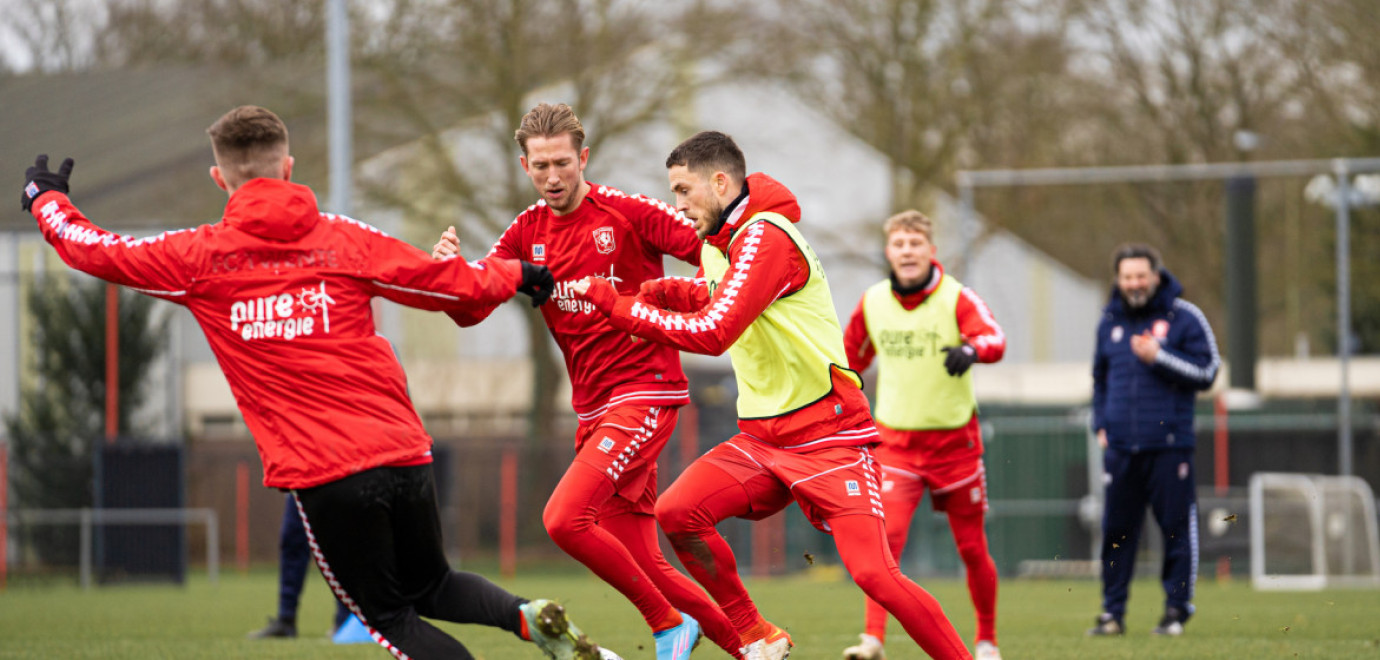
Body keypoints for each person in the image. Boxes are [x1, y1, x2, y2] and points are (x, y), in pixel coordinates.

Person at [19, 105, 615, 660]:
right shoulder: (343, 238)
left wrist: (48, 202)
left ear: (219, 179)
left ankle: (527, 622)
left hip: (326, 473)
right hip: (405, 453)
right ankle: (527, 617)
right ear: (288, 167)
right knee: (434, 586)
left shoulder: (198, 258)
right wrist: (515, 273)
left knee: (389, 618)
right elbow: (440, 281)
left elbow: (94, 249)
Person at [571, 130, 973, 660]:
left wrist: (619, 308)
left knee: (875, 574)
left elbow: (716, 331)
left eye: (683, 190)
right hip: (763, 438)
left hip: (829, 436)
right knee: (677, 511)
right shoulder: (722, 240)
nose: (678, 205)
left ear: (720, 182)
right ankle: (758, 634)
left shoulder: (766, 235)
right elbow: (719, 295)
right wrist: (666, 291)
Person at [432, 102, 746, 660]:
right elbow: (470, 310)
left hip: (646, 390)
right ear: (524, 165)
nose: (552, 176)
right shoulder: (524, 232)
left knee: (563, 519)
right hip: (593, 408)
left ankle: (667, 625)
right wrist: (450, 274)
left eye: (562, 163)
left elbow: (719, 251)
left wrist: (687, 304)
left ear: (583, 157)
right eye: (540, 166)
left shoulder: (627, 213)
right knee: (643, 561)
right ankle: (755, 647)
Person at [839, 210, 1006, 660]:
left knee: (971, 549)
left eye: (915, 244)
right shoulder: (873, 301)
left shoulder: (956, 297)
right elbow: (847, 358)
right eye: (899, 244)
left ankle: (986, 640)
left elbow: (994, 338)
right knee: (885, 540)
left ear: (931, 251)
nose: (907, 252)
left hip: (955, 445)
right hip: (895, 443)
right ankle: (874, 640)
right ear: (888, 252)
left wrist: (971, 349)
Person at [1087, 243, 1219, 637]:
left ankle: (1176, 612)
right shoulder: (1108, 321)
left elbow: (1209, 371)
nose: (1134, 283)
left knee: (1176, 530)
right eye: (1127, 277)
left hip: (1169, 447)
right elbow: (1099, 380)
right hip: (1122, 449)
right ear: (1118, 280)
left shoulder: (1184, 318)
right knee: (1116, 533)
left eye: (1141, 276)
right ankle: (1112, 614)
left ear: (1156, 276)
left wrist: (1159, 356)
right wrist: (1101, 423)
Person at [246, 493, 362, 642]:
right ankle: (286, 619)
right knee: (291, 540)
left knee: (339, 543)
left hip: (333, 475)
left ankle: (344, 621)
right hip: (300, 478)